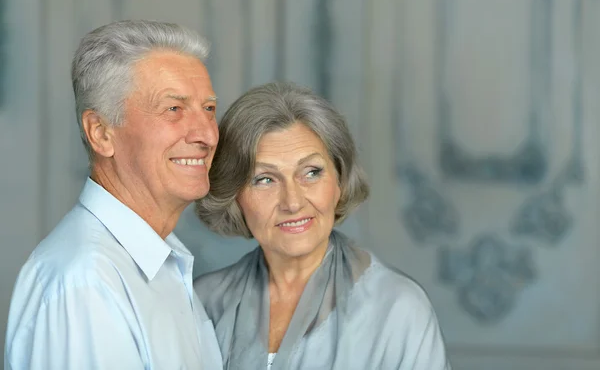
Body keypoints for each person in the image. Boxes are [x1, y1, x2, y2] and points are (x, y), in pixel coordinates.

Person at [4, 20, 223, 369]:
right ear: (101, 133)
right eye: (173, 109)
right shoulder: (86, 283)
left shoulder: (159, 262)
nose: (207, 135)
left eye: (209, 109)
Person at [193, 81, 451, 369]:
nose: (292, 202)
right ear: (235, 194)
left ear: (339, 181)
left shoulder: (397, 308)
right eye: (264, 179)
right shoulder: (202, 302)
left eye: (311, 173)